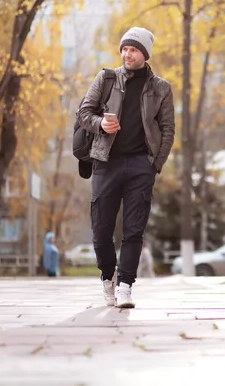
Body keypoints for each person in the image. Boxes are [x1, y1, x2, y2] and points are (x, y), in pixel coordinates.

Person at [77, 27, 175, 308]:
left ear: (144, 53)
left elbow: (168, 129)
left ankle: (126, 287)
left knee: (134, 230)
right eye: (124, 49)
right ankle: (108, 278)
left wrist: (155, 164)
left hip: (141, 166)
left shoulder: (161, 88)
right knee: (101, 229)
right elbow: (85, 112)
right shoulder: (106, 78)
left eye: (132, 49)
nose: (126, 54)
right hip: (105, 162)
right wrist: (100, 124)